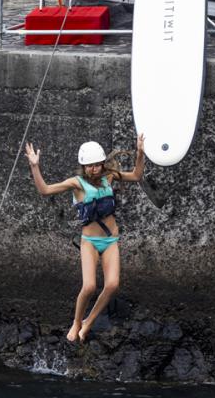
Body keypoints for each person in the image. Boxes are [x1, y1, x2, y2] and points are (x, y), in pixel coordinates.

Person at [25, 135, 145, 342]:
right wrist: (35, 166)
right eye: (89, 166)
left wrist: (141, 153)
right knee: (89, 286)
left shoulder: (110, 177)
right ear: (83, 166)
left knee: (112, 285)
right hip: (89, 242)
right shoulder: (77, 184)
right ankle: (76, 322)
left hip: (110, 241)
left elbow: (136, 175)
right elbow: (44, 190)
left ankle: (88, 322)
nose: (94, 169)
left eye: (97, 164)